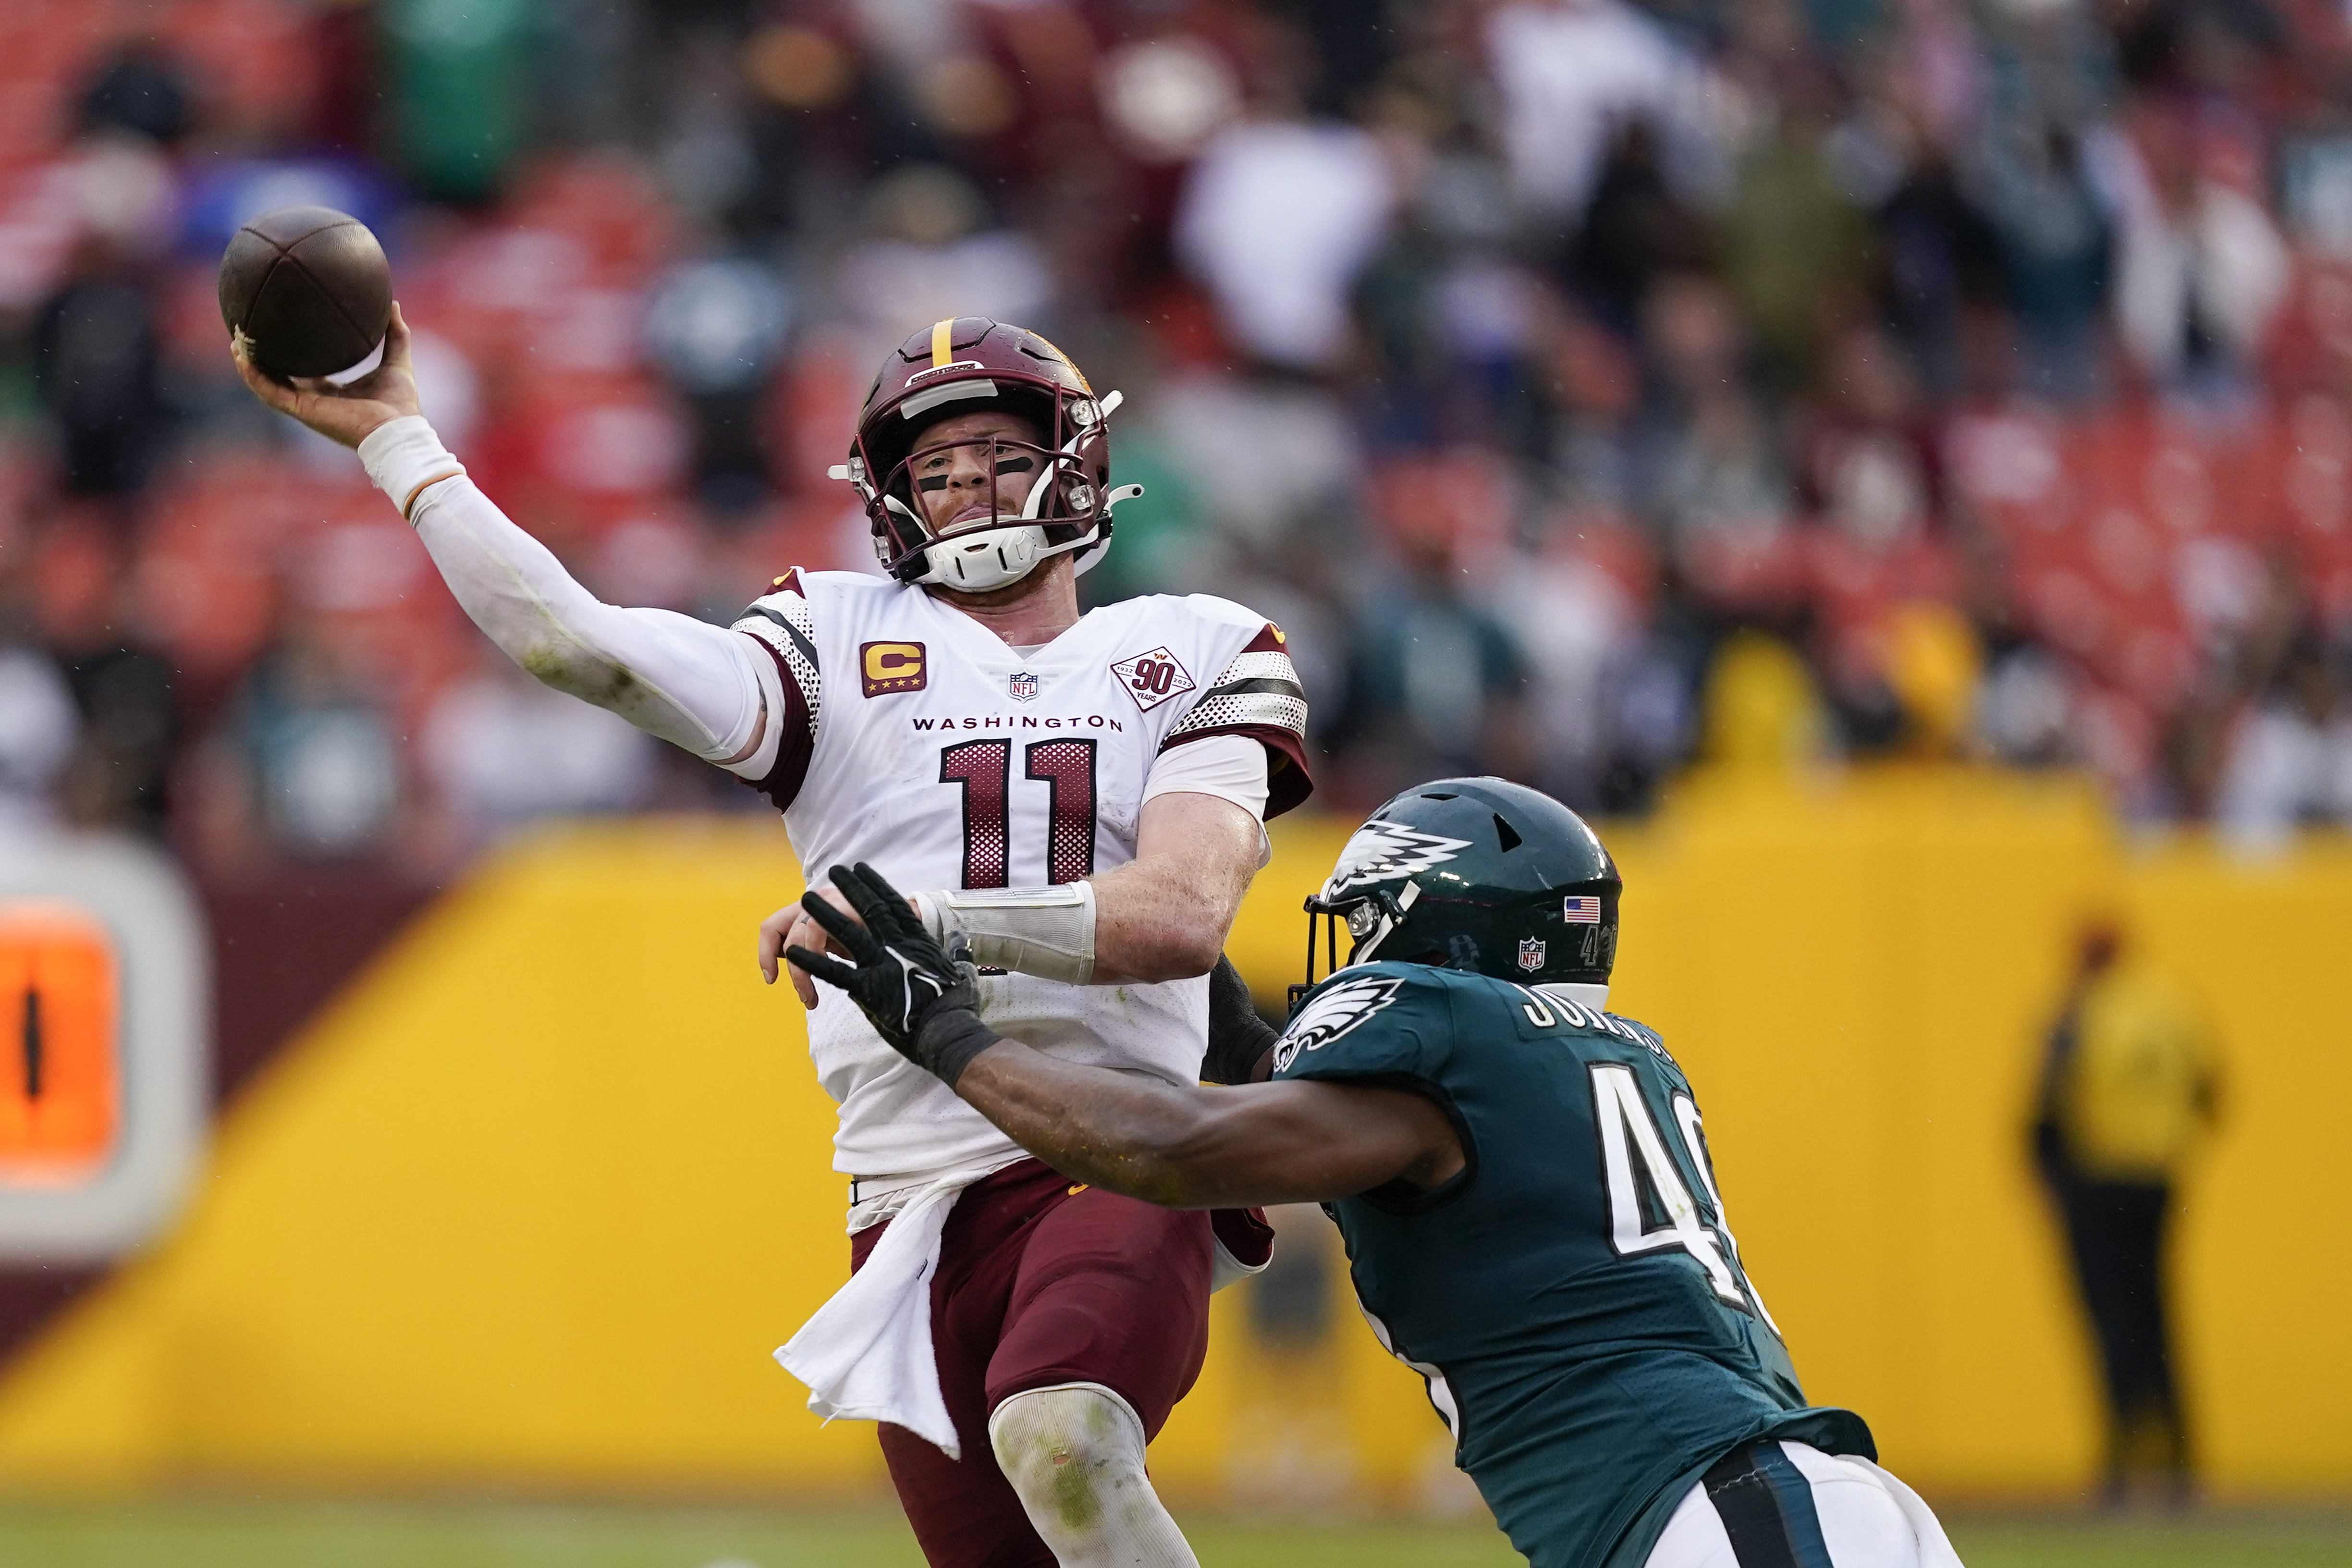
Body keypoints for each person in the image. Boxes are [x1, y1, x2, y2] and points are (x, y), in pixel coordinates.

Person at [234, 310, 1313, 1568]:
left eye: (998, 457)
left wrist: (913, 932)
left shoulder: (1195, 644)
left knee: (1065, 1435)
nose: (966, 488)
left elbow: (1180, 916)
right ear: (886, 497)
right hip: (909, 1196)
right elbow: (574, 644)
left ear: (1072, 461)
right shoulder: (836, 636)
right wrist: (400, 443)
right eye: (934, 469)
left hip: (1118, 1138)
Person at [787, 778, 1968, 1568]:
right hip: (1769, 1497)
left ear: (1441, 932)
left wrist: (950, 1036)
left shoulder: (1444, 1048)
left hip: (1715, 1516)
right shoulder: (1570, 1056)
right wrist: (1184, 997)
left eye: (1369, 923)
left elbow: (1170, 1149)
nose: (1350, 954)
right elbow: (1301, 1109)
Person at [2031, 920, 2219, 1503]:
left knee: (2109, 1318)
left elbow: (2047, 1103)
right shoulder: (2172, 1004)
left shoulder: (2081, 1012)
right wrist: (2166, 1141)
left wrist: (2051, 1178)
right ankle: (2180, 1456)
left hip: (2097, 1182)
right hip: (2158, 1181)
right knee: (2159, 1314)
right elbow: (2214, 1093)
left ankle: (2120, 1459)